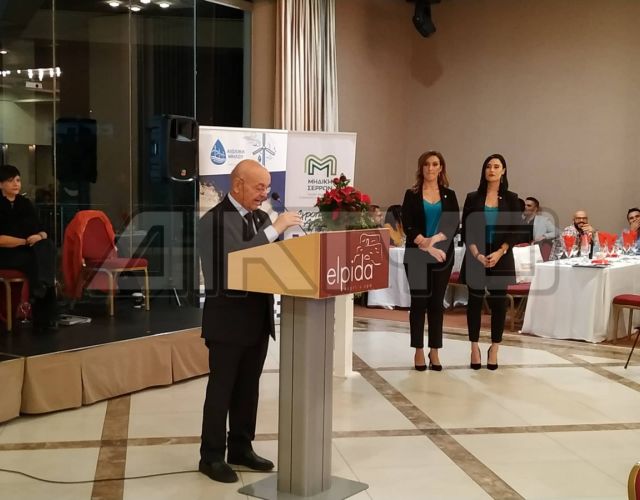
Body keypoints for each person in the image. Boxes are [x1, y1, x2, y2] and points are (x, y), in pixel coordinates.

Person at [197, 159, 301, 484]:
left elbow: (273, 258)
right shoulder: (214, 220)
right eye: (259, 187)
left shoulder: (261, 218)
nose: (264, 193)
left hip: (257, 318)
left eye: (267, 187)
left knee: (248, 389)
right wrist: (276, 229)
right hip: (228, 321)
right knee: (222, 390)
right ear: (237, 184)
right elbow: (237, 260)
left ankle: (241, 447)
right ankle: (211, 456)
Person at [460, 154, 520, 370]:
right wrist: (477, 254)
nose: (491, 170)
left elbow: (515, 231)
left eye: (496, 166)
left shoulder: (512, 198)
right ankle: (474, 347)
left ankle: (494, 348)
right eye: (488, 166)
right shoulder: (473, 197)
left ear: (503, 171)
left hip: (501, 256)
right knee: (474, 303)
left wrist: (500, 252)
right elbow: (466, 230)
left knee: (498, 304)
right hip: (476, 255)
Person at [402, 151, 459, 371]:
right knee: (418, 302)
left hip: (442, 254)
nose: (431, 168)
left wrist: (433, 242)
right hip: (416, 254)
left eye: (435, 164)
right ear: (421, 168)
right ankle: (418, 349)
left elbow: (452, 224)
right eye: (426, 164)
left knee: (436, 303)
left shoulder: (449, 195)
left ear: (441, 167)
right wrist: (425, 245)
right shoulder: (411, 194)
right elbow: (408, 224)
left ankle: (434, 350)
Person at [0, 164, 57, 332]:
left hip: (28, 250)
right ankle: (45, 315)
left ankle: (39, 288)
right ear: (1, 184)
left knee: (47, 245)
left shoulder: (25, 203)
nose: (16, 184)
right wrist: (25, 241)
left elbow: (43, 230)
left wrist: (39, 236)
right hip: (5, 253)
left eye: (18, 180)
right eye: (10, 181)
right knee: (39, 263)